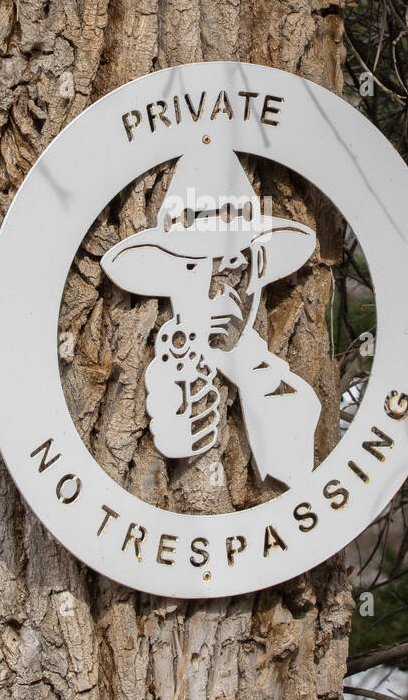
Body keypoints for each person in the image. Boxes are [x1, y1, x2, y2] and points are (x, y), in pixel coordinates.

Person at [100, 146, 320, 488]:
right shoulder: (172, 364)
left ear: (259, 271)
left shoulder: (290, 398)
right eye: (196, 266)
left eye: (234, 267)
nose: (219, 293)